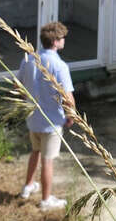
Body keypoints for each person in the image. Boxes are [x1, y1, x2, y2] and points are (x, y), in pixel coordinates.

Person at [18, 21, 74, 211]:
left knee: (35, 151)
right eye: (62, 38)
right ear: (56, 42)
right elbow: (68, 97)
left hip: (33, 119)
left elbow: (18, 86)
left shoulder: (29, 59)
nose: (64, 40)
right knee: (47, 160)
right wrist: (71, 115)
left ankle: (28, 186)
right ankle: (46, 200)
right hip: (51, 122)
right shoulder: (60, 66)